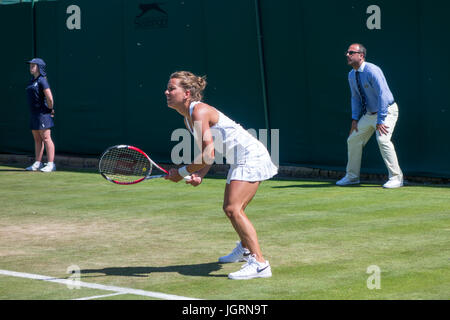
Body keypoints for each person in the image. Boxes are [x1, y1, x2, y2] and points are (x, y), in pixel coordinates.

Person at [164, 71, 278, 280]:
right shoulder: (188, 119)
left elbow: (208, 153)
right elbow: (211, 151)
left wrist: (181, 173)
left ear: (187, 93)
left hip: (251, 156)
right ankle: (245, 249)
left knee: (232, 208)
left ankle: (260, 264)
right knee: (236, 209)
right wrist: (199, 174)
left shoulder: (199, 112)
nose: (167, 92)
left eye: (172, 89)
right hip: (242, 159)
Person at [337, 44, 403, 188]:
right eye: (347, 52)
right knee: (353, 139)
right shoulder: (351, 75)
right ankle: (352, 177)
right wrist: (355, 119)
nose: (347, 55)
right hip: (369, 114)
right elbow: (355, 98)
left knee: (383, 140)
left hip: (386, 111)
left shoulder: (373, 70)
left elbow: (383, 95)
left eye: (351, 52)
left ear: (361, 55)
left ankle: (397, 178)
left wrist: (380, 120)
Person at [25, 58, 56, 172]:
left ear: (39, 67)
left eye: (34, 65)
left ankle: (51, 164)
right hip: (34, 114)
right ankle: (37, 163)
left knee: (46, 138)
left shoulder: (42, 80)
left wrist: (50, 108)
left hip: (43, 114)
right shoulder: (32, 80)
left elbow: (49, 97)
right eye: (30, 65)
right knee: (37, 139)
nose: (31, 67)